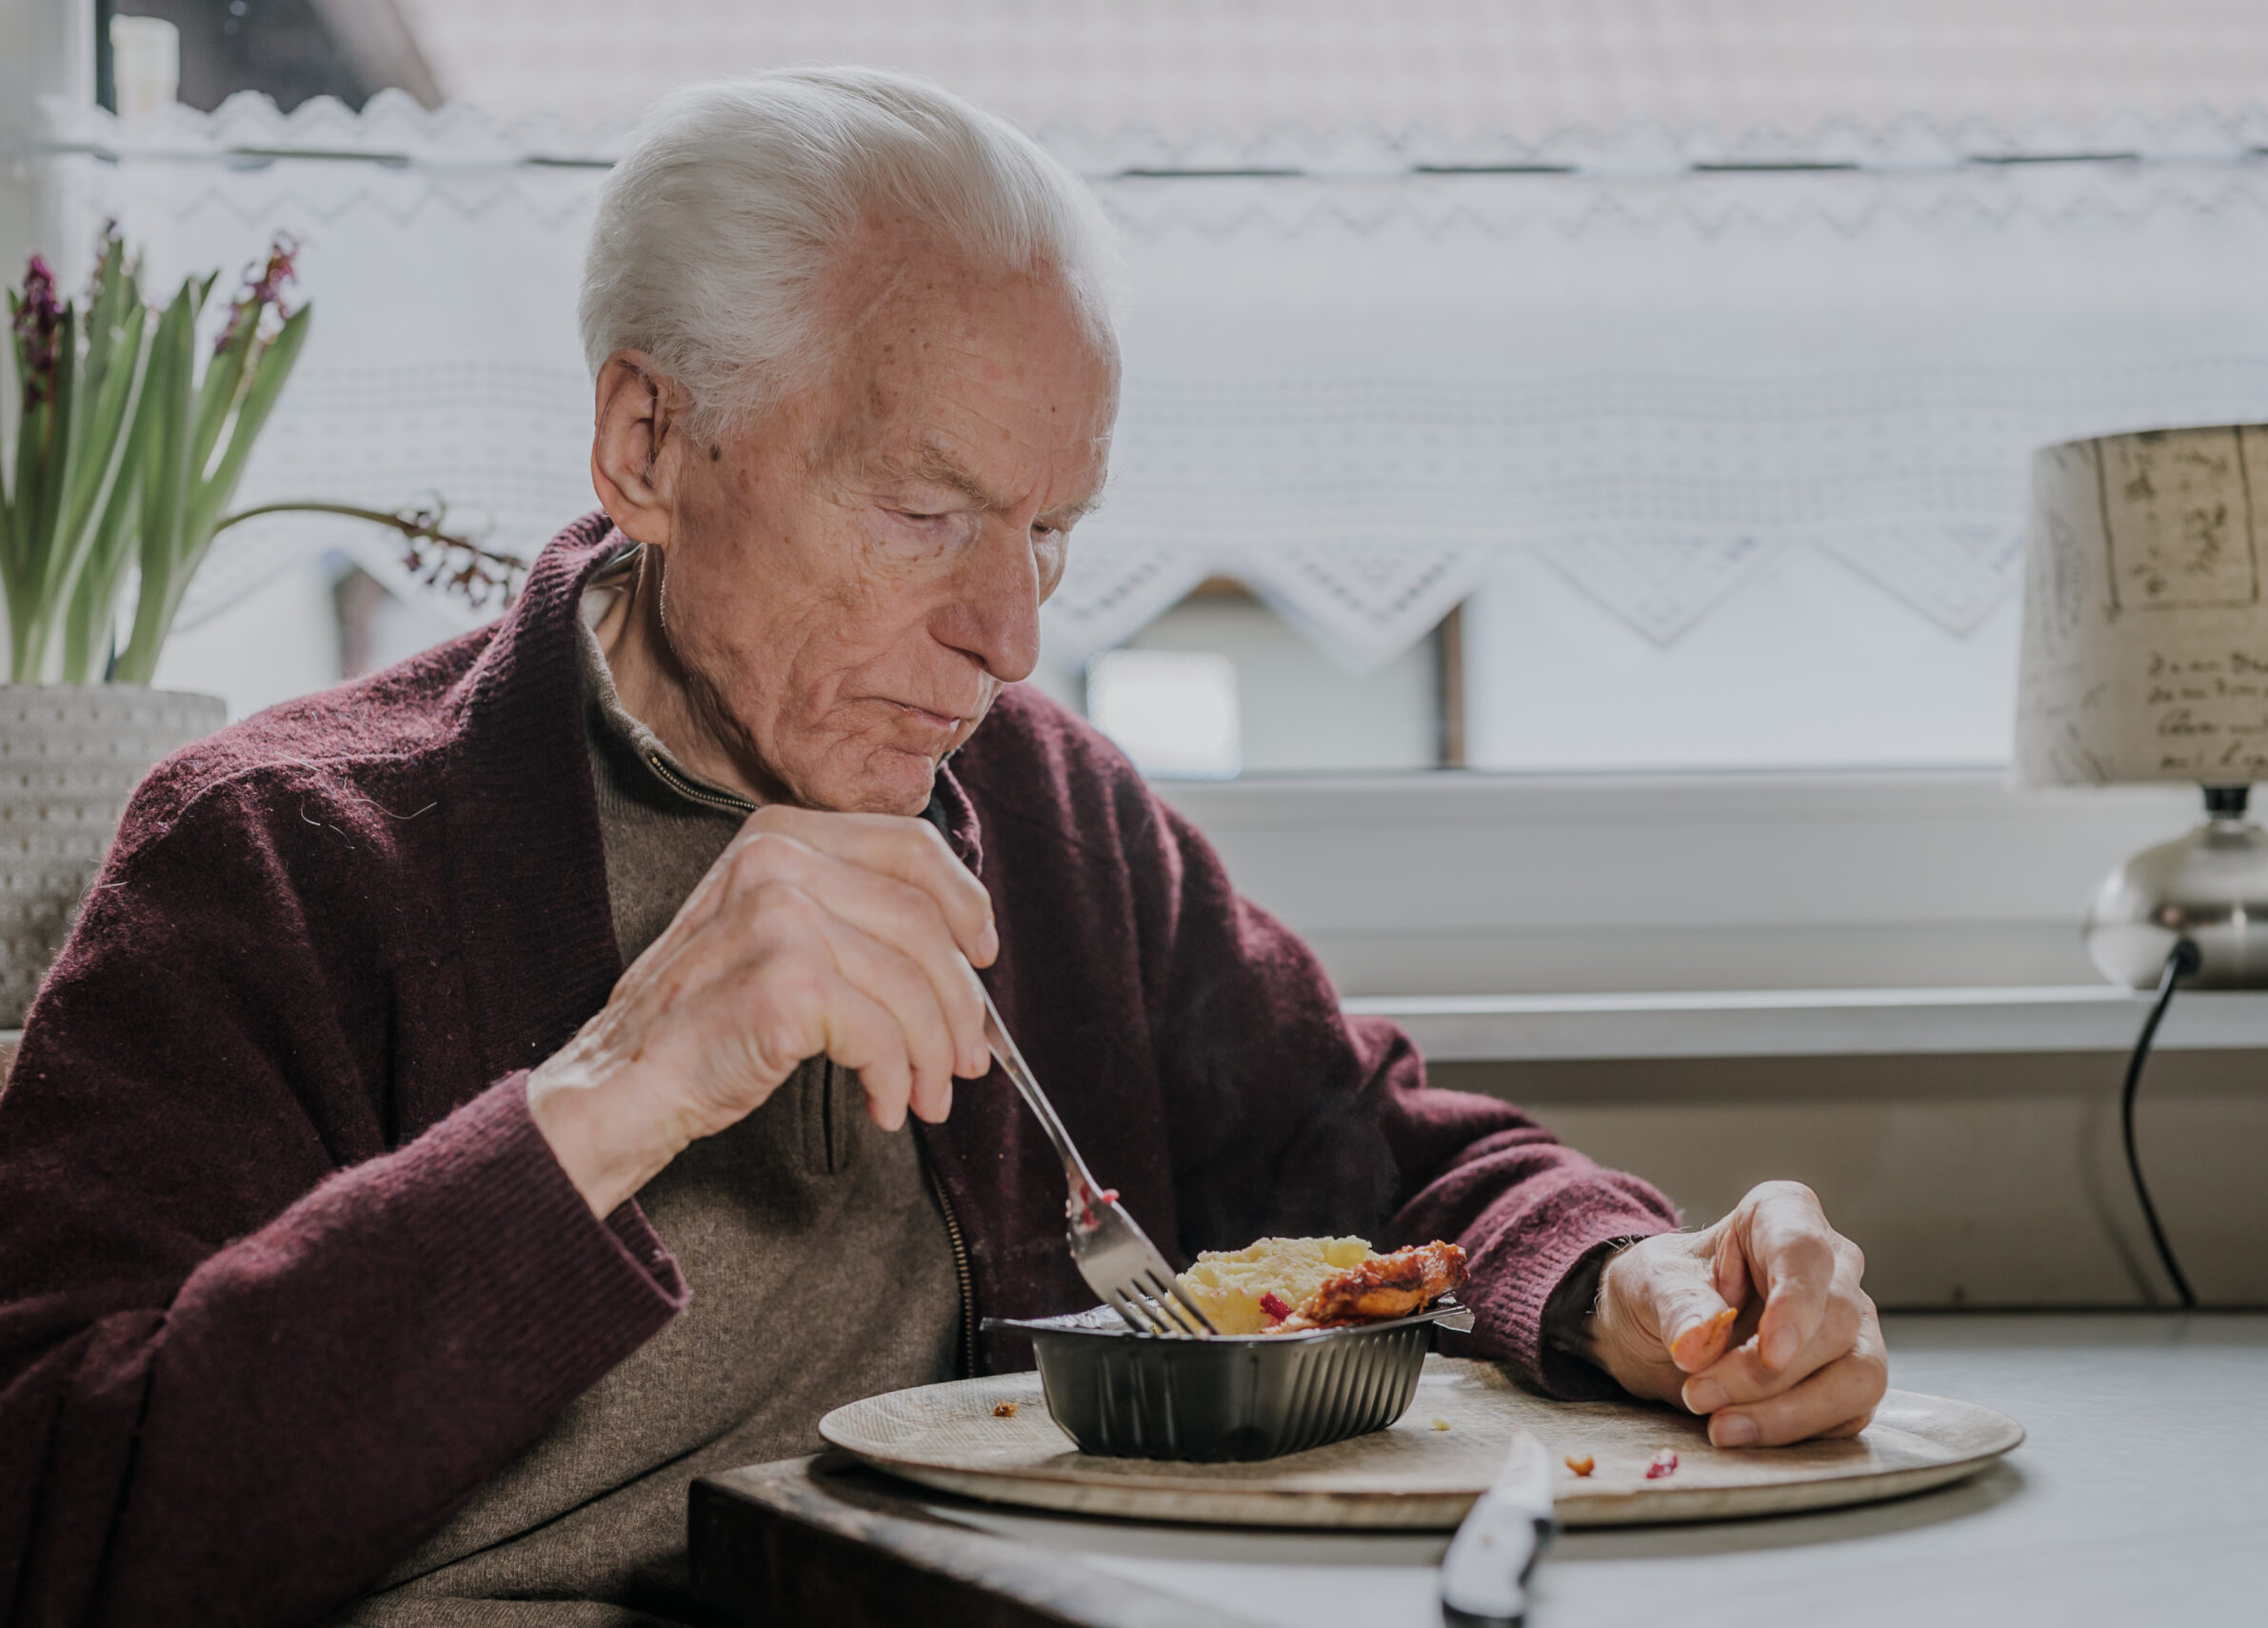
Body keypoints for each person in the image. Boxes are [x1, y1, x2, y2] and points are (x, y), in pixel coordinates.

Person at [0, 69, 1883, 1625]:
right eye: (924, 511)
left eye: (1049, 533)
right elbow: (57, 1516)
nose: (1008, 637)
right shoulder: (274, 855)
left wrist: (1629, 1282)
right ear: (648, 444)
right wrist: (624, 1080)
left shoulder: (1049, 816)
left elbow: (1376, 1161)